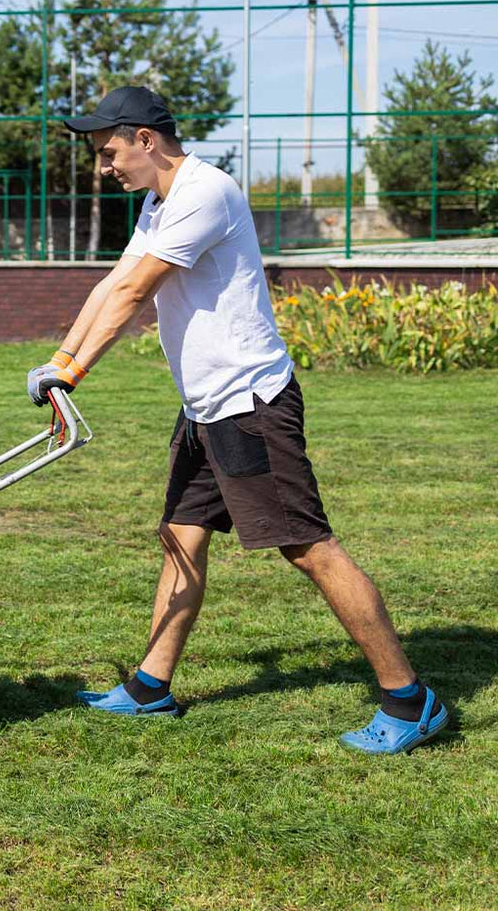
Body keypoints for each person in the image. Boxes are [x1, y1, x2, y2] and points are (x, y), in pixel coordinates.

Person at [27, 85, 448, 754]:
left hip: (248, 406)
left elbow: (139, 291)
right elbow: (113, 282)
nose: (103, 166)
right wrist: (58, 358)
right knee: (180, 535)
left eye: (108, 152)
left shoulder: (205, 192)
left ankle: (410, 700)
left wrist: (76, 373)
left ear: (145, 139)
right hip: (205, 408)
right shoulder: (158, 201)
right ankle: (148, 688)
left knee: (308, 549)